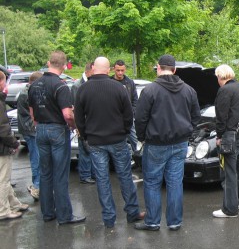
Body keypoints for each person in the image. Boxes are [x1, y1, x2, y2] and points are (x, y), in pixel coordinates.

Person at [74, 56, 144, 229]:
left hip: (95, 142)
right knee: (125, 176)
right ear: (108, 69)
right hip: (118, 139)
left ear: (93, 67)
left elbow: (78, 118)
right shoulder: (118, 88)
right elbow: (128, 115)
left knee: (102, 179)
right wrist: (125, 131)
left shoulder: (83, 90)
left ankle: (109, 218)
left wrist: (85, 136)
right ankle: (132, 212)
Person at [134, 54, 201, 231]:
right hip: (180, 143)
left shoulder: (149, 90)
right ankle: (174, 221)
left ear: (158, 68)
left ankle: (153, 221)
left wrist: (142, 137)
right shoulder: (189, 90)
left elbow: (140, 118)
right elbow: (196, 116)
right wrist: (188, 131)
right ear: (174, 69)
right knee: (175, 182)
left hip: (156, 143)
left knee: (152, 182)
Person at [28, 50, 84, 224]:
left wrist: (38, 124)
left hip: (41, 129)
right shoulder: (60, 86)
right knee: (60, 174)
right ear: (65, 65)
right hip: (57, 130)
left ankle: (47, 213)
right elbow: (67, 114)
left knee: (45, 173)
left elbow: (32, 112)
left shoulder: (35, 85)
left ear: (48, 62)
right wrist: (75, 126)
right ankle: (65, 215)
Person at [212, 64, 239, 218]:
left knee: (229, 173)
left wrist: (219, 136)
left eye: (217, 77)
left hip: (230, 136)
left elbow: (221, 117)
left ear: (220, 76)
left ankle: (230, 209)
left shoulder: (225, 90)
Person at [0, 70, 28, 220]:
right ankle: (3, 210)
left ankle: (14, 203)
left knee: (5, 178)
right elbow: (3, 128)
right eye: (5, 81)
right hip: (2, 147)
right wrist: (14, 142)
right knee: (3, 179)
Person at [17, 70, 43, 200]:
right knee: (36, 158)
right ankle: (37, 186)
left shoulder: (25, 92)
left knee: (36, 157)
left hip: (28, 129)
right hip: (31, 130)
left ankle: (37, 185)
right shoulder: (27, 94)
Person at [71, 62, 96, 184]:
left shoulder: (87, 83)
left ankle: (90, 174)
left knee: (90, 149)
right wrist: (77, 126)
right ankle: (85, 175)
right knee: (84, 149)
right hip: (83, 122)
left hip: (91, 122)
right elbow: (76, 107)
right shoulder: (78, 85)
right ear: (88, 71)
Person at [111, 60, 139, 154]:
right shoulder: (109, 82)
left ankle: (138, 158)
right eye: (118, 70)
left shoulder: (130, 83)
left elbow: (135, 100)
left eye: (122, 70)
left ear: (125, 69)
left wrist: (132, 113)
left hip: (128, 118)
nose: (120, 73)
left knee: (135, 140)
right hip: (113, 119)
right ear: (114, 69)